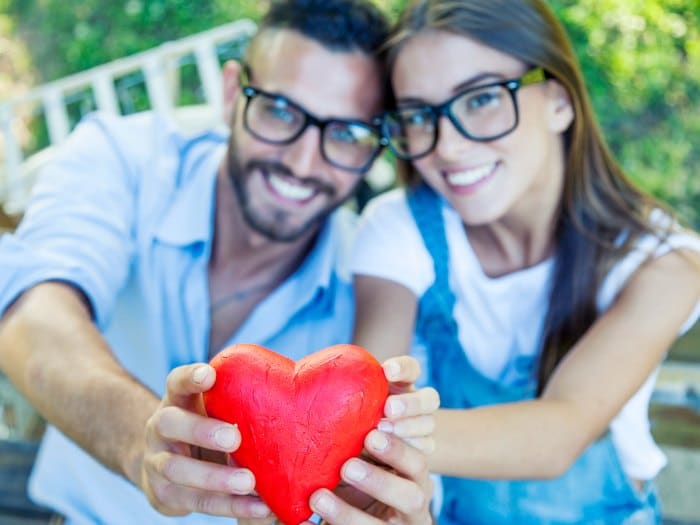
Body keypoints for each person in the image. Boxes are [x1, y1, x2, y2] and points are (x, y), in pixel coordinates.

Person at [0, 1, 439, 523]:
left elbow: (403, 460)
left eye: (346, 134)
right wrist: (141, 445)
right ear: (232, 93)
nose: (302, 163)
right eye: (280, 110)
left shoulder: (379, 288)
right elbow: (31, 314)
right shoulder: (125, 157)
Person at [350, 0, 700, 523]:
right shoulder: (399, 229)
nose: (448, 147)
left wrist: (358, 430)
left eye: (482, 99)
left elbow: (559, 432)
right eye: (419, 116)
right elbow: (362, 383)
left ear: (559, 100)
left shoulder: (664, 263)